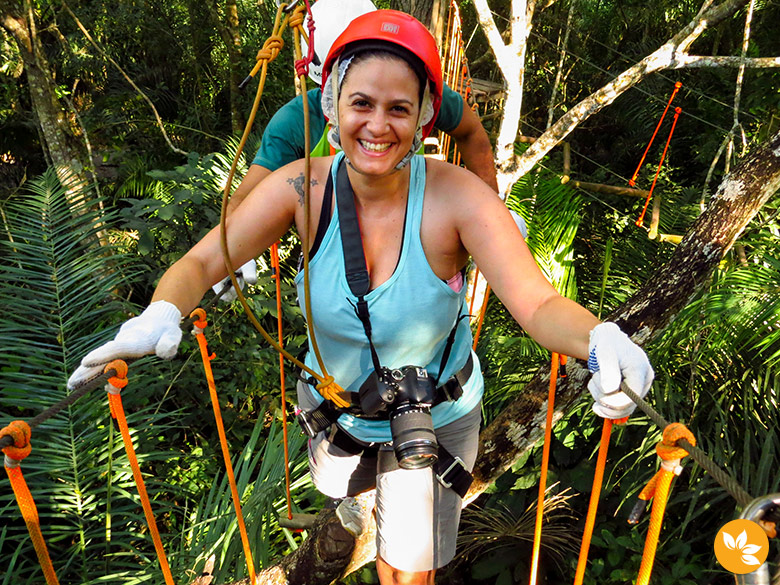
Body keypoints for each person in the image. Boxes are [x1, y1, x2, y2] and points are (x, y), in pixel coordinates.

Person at [68, 10, 653, 585]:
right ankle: (367, 515)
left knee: (406, 570)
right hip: (338, 414)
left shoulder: (457, 198)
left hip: (434, 417)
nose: (379, 125)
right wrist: (160, 311)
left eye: (399, 108)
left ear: (424, 116)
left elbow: (538, 304)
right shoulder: (301, 186)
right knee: (353, 513)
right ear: (332, 107)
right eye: (362, 104)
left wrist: (598, 337)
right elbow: (204, 258)